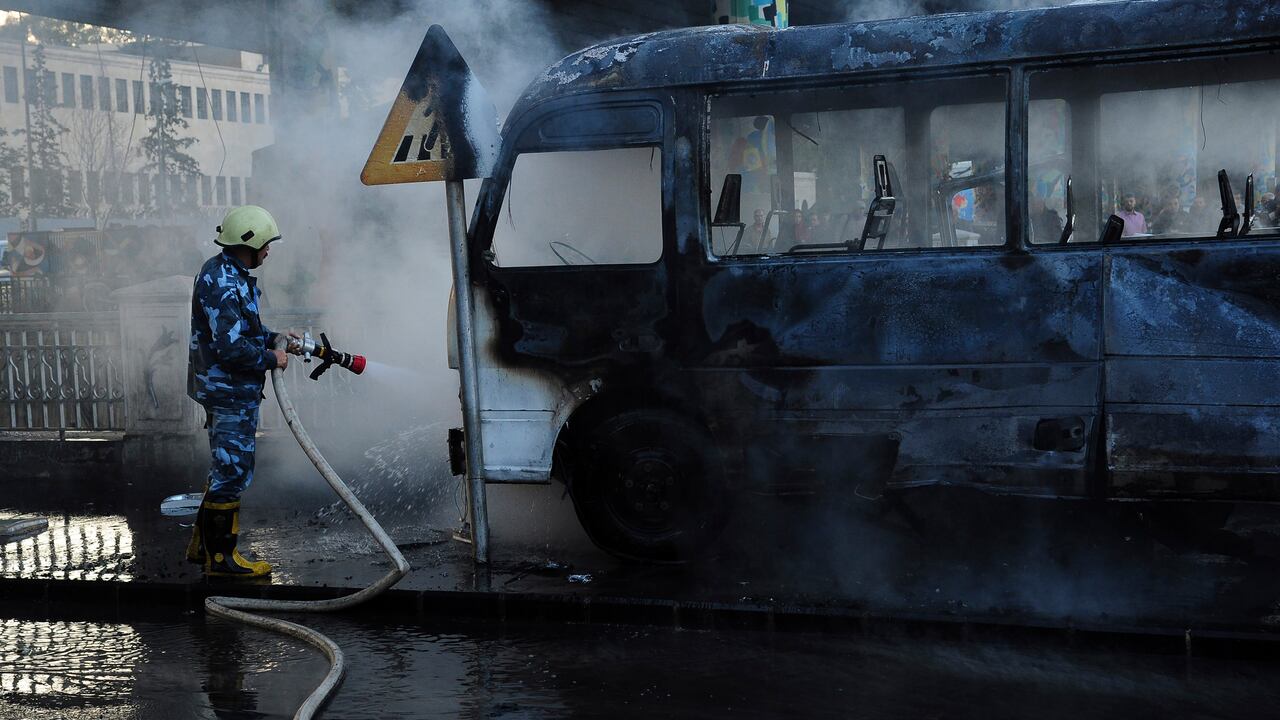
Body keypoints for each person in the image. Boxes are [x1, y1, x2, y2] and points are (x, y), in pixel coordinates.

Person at [186, 205, 301, 577]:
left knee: (225, 467)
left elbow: (242, 332)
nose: (268, 252)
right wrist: (273, 358)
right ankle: (222, 561)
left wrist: (276, 338)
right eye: (266, 246)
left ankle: (204, 548)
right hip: (228, 390)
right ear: (247, 243)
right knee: (233, 471)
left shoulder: (229, 273)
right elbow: (232, 348)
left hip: (230, 389)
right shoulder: (222, 281)